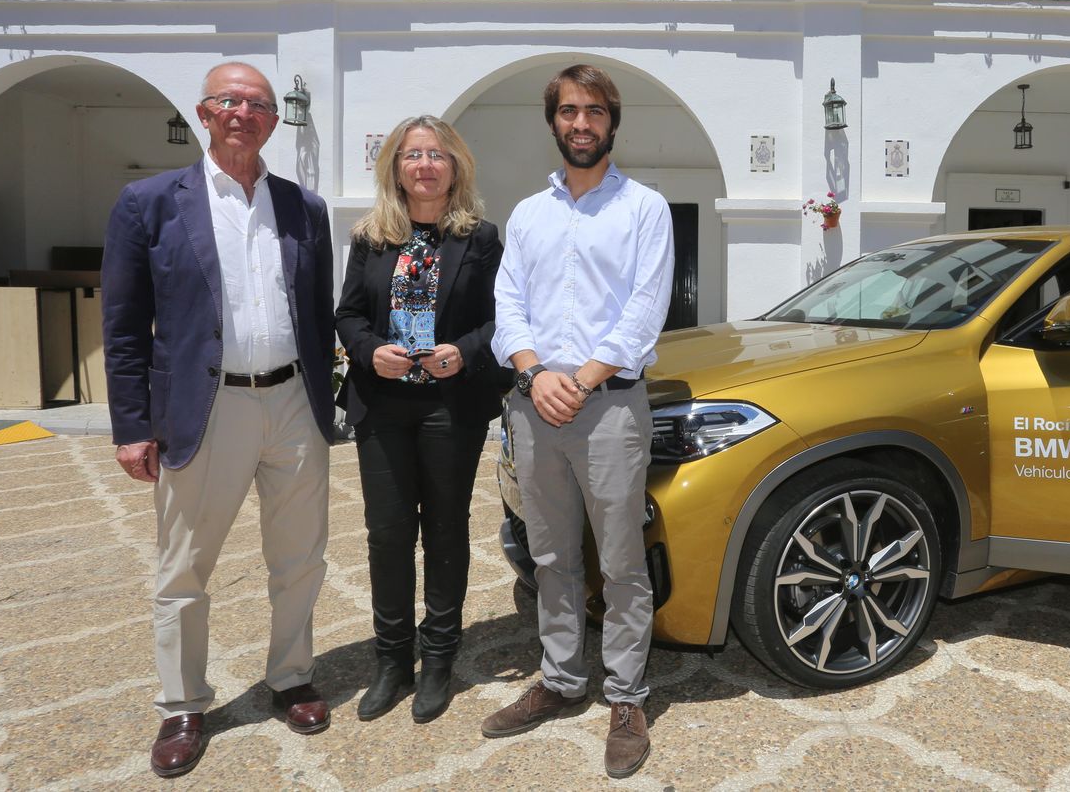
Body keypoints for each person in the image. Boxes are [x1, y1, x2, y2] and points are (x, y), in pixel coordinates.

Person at [101, 62, 336, 778]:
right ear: (204, 112)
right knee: (183, 568)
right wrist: (132, 425)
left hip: (294, 401)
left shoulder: (304, 206)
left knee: (300, 556)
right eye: (229, 101)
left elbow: (317, 309)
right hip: (204, 408)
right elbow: (123, 325)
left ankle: (290, 676)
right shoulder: (149, 202)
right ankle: (182, 702)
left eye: (258, 104)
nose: (244, 113)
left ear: (273, 120)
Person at [482, 64, 672, 779]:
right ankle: (561, 680)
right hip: (535, 406)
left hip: (610, 407)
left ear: (612, 122)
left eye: (595, 111)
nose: (582, 123)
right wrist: (535, 374)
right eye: (569, 110)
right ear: (553, 121)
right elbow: (510, 307)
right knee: (551, 556)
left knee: (621, 560)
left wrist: (581, 380)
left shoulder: (645, 208)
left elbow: (644, 309)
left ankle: (626, 696)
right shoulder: (530, 214)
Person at [335, 116, 506, 723]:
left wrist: (465, 349)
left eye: (437, 154)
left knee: (444, 531)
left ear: (455, 166)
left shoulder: (481, 238)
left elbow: (500, 318)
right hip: (383, 406)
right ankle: (390, 662)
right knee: (386, 534)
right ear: (396, 168)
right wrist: (365, 349)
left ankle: (437, 661)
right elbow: (349, 313)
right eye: (413, 155)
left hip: (448, 404)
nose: (425, 165)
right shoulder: (373, 237)